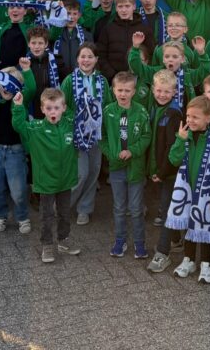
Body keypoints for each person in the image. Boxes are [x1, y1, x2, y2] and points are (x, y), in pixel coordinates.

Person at [11, 87, 81, 264]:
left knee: (65, 213)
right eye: (49, 108)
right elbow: (19, 125)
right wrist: (18, 106)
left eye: (56, 108)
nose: (53, 112)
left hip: (66, 181)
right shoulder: (36, 128)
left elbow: (85, 118)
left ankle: (64, 240)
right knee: (47, 215)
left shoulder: (71, 124)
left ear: (63, 108)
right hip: (46, 182)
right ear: (42, 109)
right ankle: (47, 244)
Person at [165, 96, 210, 284]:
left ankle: (206, 263)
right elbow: (174, 160)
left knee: (205, 228)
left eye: (195, 117)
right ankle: (188, 260)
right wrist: (180, 140)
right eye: (188, 116)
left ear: (208, 118)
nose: (190, 120)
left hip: (207, 195)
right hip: (187, 192)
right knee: (189, 227)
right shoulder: (185, 136)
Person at [0, 62, 36, 234]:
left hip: (16, 151)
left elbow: (32, 88)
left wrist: (26, 70)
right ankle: (0, 216)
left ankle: (22, 217)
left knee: (18, 190)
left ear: (18, 87)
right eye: (2, 83)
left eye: (10, 84)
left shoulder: (21, 100)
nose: (6, 88)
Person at [59, 43, 112, 225]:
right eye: (83, 56)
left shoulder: (102, 81)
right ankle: (64, 206)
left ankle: (84, 209)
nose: (86, 60)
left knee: (93, 171)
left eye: (90, 57)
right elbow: (62, 105)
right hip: (77, 134)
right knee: (81, 173)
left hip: (96, 134)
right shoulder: (69, 80)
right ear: (77, 59)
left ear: (96, 59)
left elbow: (108, 105)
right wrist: (78, 118)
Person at [101, 71, 151, 259]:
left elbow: (146, 136)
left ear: (134, 91)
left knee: (136, 209)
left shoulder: (141, 112)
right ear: (113, 90)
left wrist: (132, 151)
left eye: (127, 90)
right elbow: (102, 137)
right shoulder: (108, 112)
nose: (123, 94)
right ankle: (120, 240)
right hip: (116, 167)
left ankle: (139, 242)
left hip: (135, 167)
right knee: (119, 208)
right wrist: (111, 154)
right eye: (120, 90)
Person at [145, 70, 182, 252]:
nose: (162, 95)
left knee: (167, 209)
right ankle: (176, 240)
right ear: (153, 89)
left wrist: (162, 172)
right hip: (158, 169)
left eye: (167, 91)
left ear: (174, 92)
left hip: (169, 172)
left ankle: (163, 250)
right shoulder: (155, 107)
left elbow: (171, 147)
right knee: (165, 204)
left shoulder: (174, 114)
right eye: (159, 90)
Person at [128, 34, 207, 112]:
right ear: (163, 59)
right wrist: (135, 47)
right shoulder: (155, 73)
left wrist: (201, 53)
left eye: (175, 57)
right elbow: (137, 67)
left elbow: (205, 71)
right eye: (167, 56)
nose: (170, 59)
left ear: (183, 59)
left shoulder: (189, 75)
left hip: (184, 116)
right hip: (159, 117)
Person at [97, 0, 155, 79]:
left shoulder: (145, 29)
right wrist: (112, 75)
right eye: (120, 6)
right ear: (116, 8)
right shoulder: (108, 29)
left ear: (134, 7)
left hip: (139, 79)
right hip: (114, 79)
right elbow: (100, 55)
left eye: (127, 6)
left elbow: (151, 55)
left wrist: (142, 74)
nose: (123, 10)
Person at [52, 0, 86, 80]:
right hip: (59, 76)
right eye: (68, 13)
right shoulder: (56, 32)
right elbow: (52, 35)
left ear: (79, 15)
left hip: (79, 77)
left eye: (75, 14)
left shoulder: (86, 35)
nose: (71, 17)